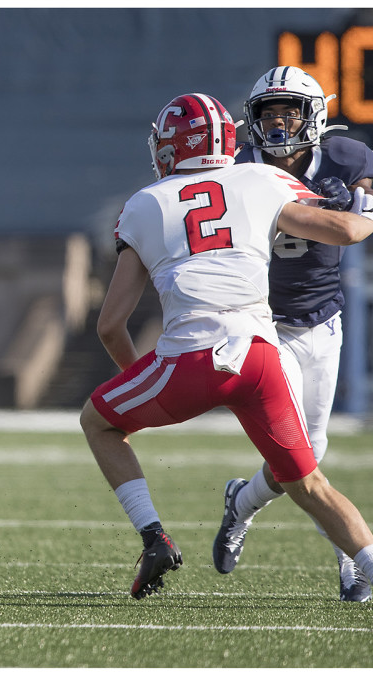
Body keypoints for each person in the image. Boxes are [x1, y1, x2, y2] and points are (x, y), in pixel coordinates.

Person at [80, 92, 373, 599]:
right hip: (260, 355)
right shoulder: (260, 179)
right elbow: (346, 230)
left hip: (187, 360)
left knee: (98, 421)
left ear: (170, 146)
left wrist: (143, 386)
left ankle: (154, 538)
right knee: (310, 483)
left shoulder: (145, 204)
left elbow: (111, 325)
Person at [212, 66, 373, 602]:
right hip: (260, 319)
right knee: (298, 453)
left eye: (289, 112)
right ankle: (353, 556)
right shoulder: (239, 166)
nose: (279, 123)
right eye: (269, 114)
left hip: (323, 316)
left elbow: (366, 195)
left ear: (314, 116)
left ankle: (243, 502)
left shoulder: (346, 158)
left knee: (314, 447)